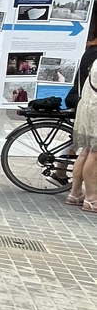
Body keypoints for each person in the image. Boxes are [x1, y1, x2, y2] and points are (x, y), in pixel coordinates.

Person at [65, 31, 97, 211]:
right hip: (95, 111)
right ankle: (92, 198)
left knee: (85, 152)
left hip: (86, 107)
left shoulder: (92, 54)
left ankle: (75, 193)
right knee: (94, 155)